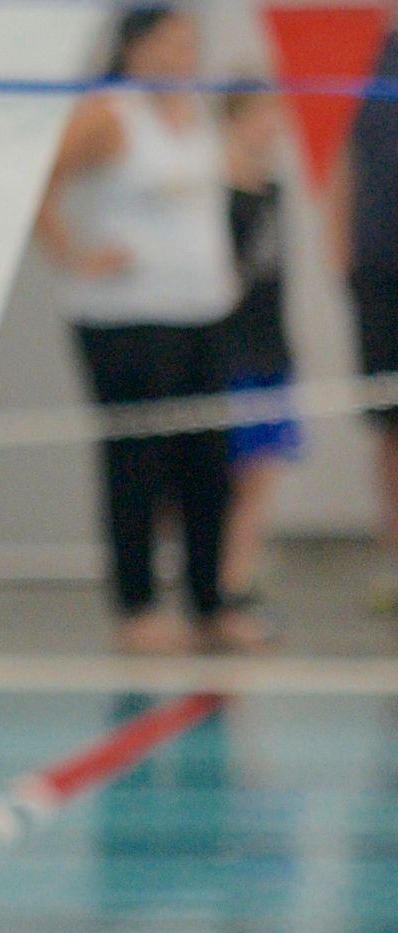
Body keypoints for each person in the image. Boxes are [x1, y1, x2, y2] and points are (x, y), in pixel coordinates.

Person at [35, 2, 246, 653]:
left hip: (202, 312)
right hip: (126, 318)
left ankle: (209, 601)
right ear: (135, 47)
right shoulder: (108, 114)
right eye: (172, 45)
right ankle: (136, 604)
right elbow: (36, 180)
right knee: (137, 464)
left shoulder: (194, 113)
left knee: (209, 466)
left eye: (191, 44)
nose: (185, 58)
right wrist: (74, 253)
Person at [322, 0, 398, 612]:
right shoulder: (367, 58)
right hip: (378, 269)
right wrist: (338, 245)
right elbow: (343, 158)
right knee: (388, 424)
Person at [218, 83, 298, 631]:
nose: (271, 126)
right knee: (229, 474)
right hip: (229, 349)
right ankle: (220, 581)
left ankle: (238, 578)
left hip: (269, 344)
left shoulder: (275, 188)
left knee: (261, 473)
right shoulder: (216, 190)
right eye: (261, 115)